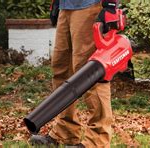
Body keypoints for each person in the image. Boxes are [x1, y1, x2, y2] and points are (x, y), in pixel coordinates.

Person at [29, 0, 118, 147]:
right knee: (61, 70)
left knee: (90, 74)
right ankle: (65, 131)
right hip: (66, 7)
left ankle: (97, 140)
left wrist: (110, 4)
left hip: (89, 7)